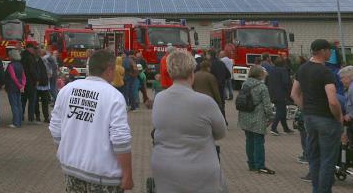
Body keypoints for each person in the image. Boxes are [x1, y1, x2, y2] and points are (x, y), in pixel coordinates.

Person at [50, 49, 133, 192]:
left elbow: (55, 129)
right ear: (109, 70)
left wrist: (66, 155)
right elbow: (120, 140)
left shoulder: (67, 89)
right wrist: (127, 174)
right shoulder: (114, 96)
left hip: (72, 171)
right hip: (103, 177)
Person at [151, 49, 227, 193]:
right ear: (192, 73)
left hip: (164, 168)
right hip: (199, 169)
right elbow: (221, 133)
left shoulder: (159, 99)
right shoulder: (205, 102)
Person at [292, 39, 344, 193]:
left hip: (309, 118)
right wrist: (339, 117)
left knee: (314, 158)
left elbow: (294, 94)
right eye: (329, 50)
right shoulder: (325, 72)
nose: (330, 53)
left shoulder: (302, 69)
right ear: (323, 51)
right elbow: (333, 101)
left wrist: (306, 109)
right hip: (327, 120)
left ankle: (316, 189)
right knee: (328, 160)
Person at [238, 64, 276, 175]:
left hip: (245, 115)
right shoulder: (262, 87)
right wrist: (270, 117)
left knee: (249, 141)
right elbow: (267, 105)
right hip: (258, 117)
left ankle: (251, 164)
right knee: (259, 142)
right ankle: (260, 165)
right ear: (259, 74)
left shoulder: (245, 84)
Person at [267, 56, 293, 135]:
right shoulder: (283, 70)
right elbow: (286, 83)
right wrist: (290, 92)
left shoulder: (271, 70)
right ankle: (273, 128)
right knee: (280, 111)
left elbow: (267, 80)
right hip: (281, 93)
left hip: (272, 93)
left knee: (283, 110)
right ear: (283, 63)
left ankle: (285, 128)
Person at [4, 49, 26, 128]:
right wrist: (22, 85)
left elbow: (13, 77)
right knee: (19, 104)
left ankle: (16, 122)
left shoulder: (11, 65)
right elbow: (24, 77)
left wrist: (19, 85)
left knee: (14, 105)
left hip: (12, 87)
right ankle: (19, 121)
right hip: (19, 87)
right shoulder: (20, 65)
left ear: (11, 56)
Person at [22, 43, 40, 122]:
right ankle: (31, 118)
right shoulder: (30, 57)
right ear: (29, 48)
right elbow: (32, 70)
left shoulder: (21, 55)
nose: (34, 50)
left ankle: (21, 116)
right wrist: (36, 79)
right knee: (32, 101)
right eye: (33, 48)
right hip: (30, 82)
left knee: (22, 101)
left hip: (22, 82)